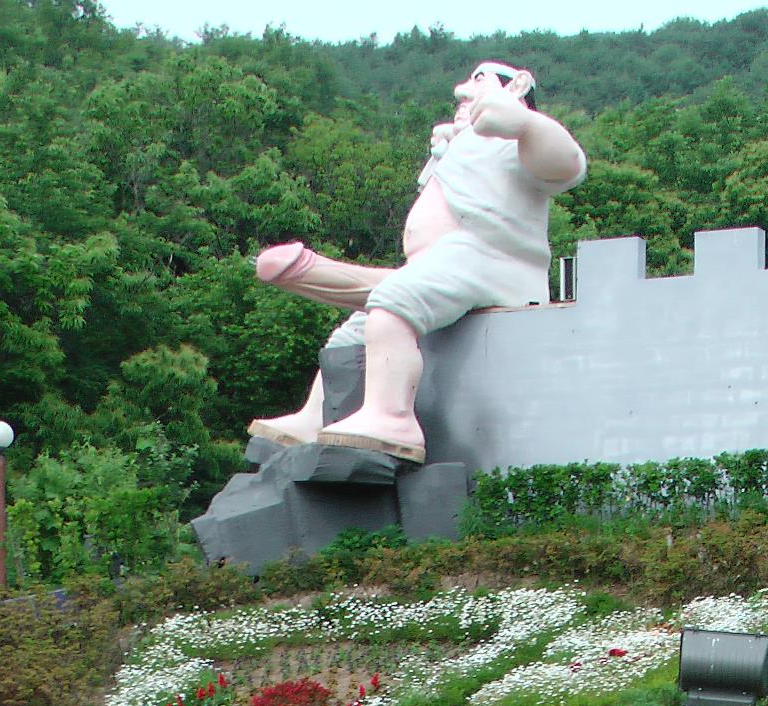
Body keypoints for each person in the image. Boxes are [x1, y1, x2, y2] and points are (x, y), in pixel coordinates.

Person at [248, 62, 586, 463]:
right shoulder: (462, 147)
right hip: (442, 263)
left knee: (392, 305)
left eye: (478, 81)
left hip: (491, 258)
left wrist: (528, 125)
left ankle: (391, 417)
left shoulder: (511, 140)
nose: (462, 91)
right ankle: (316, 416)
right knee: (353, 333)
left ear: (516, 87)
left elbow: (567, 166)